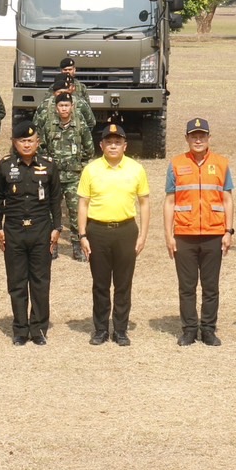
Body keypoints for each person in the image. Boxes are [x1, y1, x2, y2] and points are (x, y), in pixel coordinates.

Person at [77, 122, 150, 346]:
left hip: (126, 231)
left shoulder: (136, 169)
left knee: (123, 283)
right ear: (101, 145)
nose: (113, 146)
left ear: (125, 146)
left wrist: (143, 235)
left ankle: (120, 329)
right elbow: (83, 204)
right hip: (97, 231)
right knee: (100, 284)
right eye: (109, 142)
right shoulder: (91, 169)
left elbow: (144, 203)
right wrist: (82, 235)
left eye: (118, 142)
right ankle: (100, 329)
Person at [163, 117, 233, 346]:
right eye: (194, 136)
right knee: (187, 286)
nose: (198, 140)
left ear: (209, 138)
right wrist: (168, 235)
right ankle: (189, 330)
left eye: (202, 135)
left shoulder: (222, 163)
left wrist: (228, 231)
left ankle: (209, 330)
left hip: (214, 233)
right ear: (187, 139)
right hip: (184, 234)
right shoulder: (175, 164)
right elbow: (169, 201)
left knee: (211, 287)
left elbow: (228, 199)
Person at [0, 120, 61, 345]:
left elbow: (55, 200)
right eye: (22, 141)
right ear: (14, 143)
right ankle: (20, 329)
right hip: (14, 230)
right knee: (17, 282)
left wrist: (57, 228)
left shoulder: (49, 165)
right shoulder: (4, 165)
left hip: (41, 229)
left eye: (30, 141)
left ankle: (38, 329)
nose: (27, 144)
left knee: (40, 281)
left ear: (37, 142)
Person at [43, 92, 94, 261]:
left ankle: (77, 245)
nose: (64, 108)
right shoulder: (49, 126)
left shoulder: (80, 126)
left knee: (75, 212)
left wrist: (78, 166)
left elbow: (89, 150)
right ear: (56, 108)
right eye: (61, 105)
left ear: (72, 106)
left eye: (67, 105)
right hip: (54, 178)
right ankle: (52, 245)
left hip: (74, 178)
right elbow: (41, 148)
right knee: (51, 212)